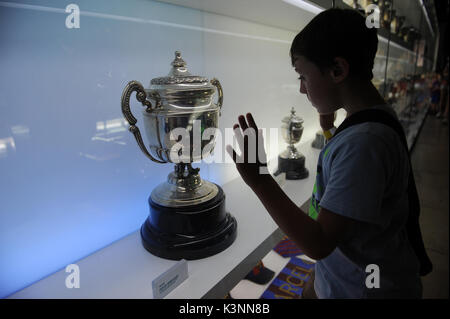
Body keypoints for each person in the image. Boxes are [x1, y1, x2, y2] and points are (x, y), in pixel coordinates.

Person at [226, 8, 424, 298]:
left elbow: (319, 244)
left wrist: (260, 179)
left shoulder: (365, 142)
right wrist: (330, 131)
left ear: (338, 70)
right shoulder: (370, 122)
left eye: (303, 76)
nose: (302, 88)